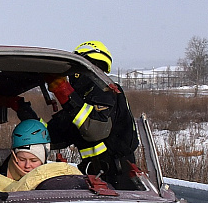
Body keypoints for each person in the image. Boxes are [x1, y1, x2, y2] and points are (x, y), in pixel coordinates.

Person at [46, 41, 142, 189]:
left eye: (75, 71)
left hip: (117, 180)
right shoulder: (81, 103)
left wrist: (63, 91)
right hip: (94, 177)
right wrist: (22, 110)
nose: (72, 76)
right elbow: (53, 135)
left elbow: (95, 130)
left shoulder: (106, 92)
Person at [0, 118, 81, 196]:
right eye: (22, 159)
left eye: (34, 160)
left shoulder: (55, 178)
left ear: (44, 158)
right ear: (14, 155)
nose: (27, 166)